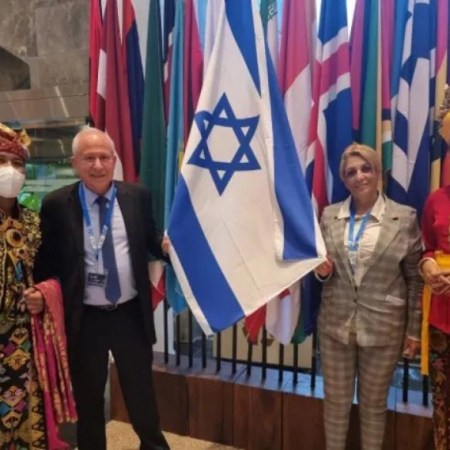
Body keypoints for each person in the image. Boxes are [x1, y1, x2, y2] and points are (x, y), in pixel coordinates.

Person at [33, 127, 170, 450]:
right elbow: (46, 261)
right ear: (75, 163)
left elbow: (148, 239)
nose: (97, 165)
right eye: (89, 158)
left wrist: (163, 246)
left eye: (104, 157)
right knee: (89, 400)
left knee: (141, 395)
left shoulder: (137, 197)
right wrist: (40, 293)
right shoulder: (56, 204)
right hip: (84, 319)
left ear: (114, 160)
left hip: (129, 315)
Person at [315, 143, 422, 450]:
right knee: (335, 404)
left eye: (366, 168)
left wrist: (413, 331)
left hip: (384, 327)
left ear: (378, 173)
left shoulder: (404, 218)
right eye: (351, 172)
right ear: (344, 179)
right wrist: (321, 272)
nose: (359, 176)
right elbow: (322, 270)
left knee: (374, 406)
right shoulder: (329, 216)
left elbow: (415, 279)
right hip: (336, 326)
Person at [0, 123, 76, 449]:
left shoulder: (33, 221)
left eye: (17, 163)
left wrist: (44, 295)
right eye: (2, 161)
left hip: (27, 341)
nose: (11, 170)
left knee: (27, 414)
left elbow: (55, 272)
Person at [419, 86, 450, 450]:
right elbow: (427, 246)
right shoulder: (436, 199)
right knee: (442, 403)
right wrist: (427, 266)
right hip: (442, 317)